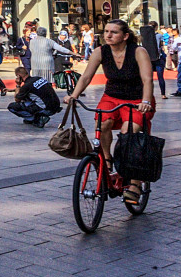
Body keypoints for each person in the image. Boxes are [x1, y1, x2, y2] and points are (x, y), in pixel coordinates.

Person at [60, 19, 156, 209]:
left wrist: (146, 102)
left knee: (130, 132)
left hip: (137, 100)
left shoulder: (138, 52)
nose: (108, 35)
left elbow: (147, 80)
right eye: (106, 31)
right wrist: (73, 96)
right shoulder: (100, 51)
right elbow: (86, 76)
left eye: (114, 32)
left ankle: (135, 182)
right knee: (102, 124)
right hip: (111, 97)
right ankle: (107, 160)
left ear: (125, 36)